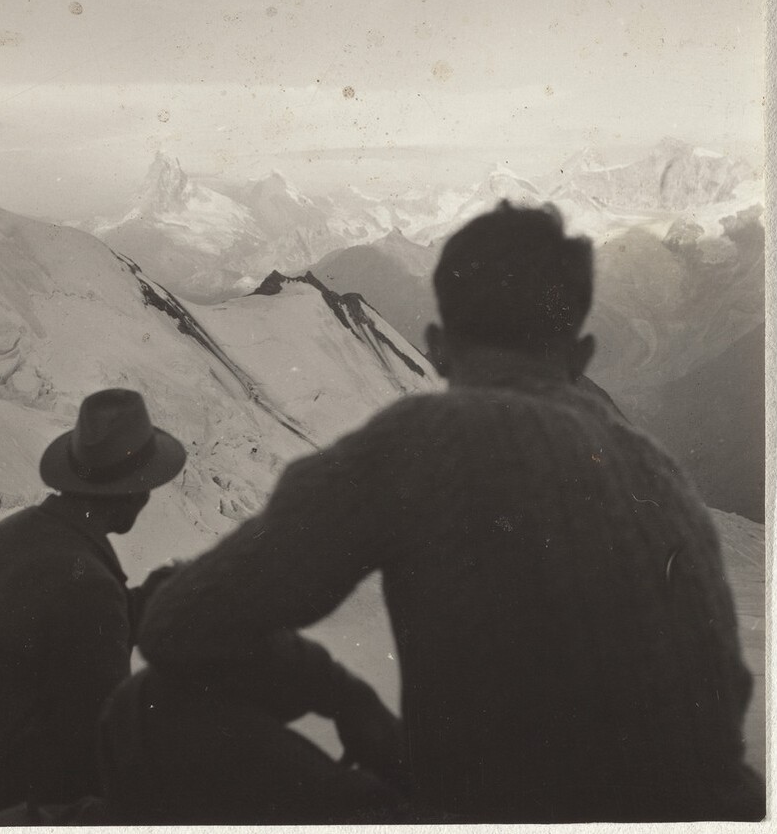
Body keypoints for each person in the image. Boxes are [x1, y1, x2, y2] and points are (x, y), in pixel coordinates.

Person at [111, 201, 762, 822]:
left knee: (152, 703)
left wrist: (341, 695)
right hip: (698, 815)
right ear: (581, 355)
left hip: (483, 814)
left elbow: (175, 628)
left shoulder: (416, 442)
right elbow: (721, 698)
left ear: (435, 344)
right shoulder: (660, 475)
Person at [0, 389, 187, 822]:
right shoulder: (90, 586)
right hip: (35, 804)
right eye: (147, 485)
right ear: (131, 494)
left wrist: (146, 599)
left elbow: (47, 638)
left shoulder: (12, 535)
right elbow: (102, 739)